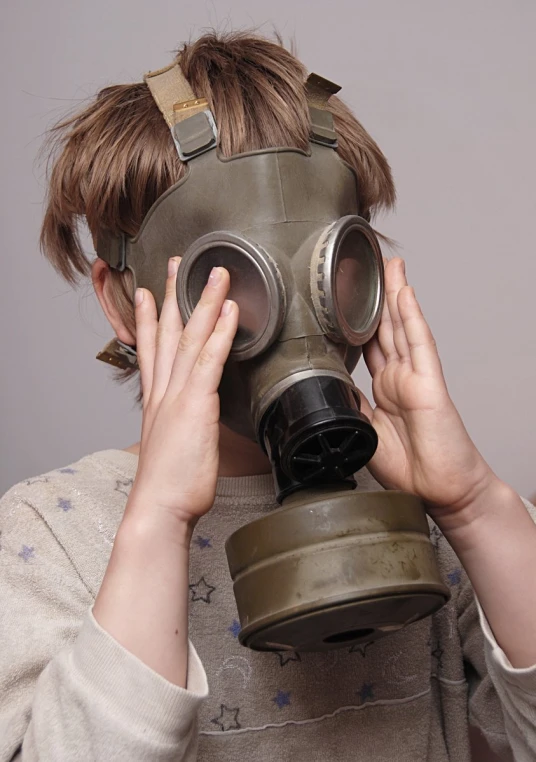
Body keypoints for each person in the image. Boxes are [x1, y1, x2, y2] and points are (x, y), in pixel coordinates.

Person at [1, 31, 535, 762]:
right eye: (230, 275)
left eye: (328, 265)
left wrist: (473, 506)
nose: (291, 317)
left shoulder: (436, 516)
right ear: (127, 304)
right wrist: (156, 521)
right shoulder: (50, 535)